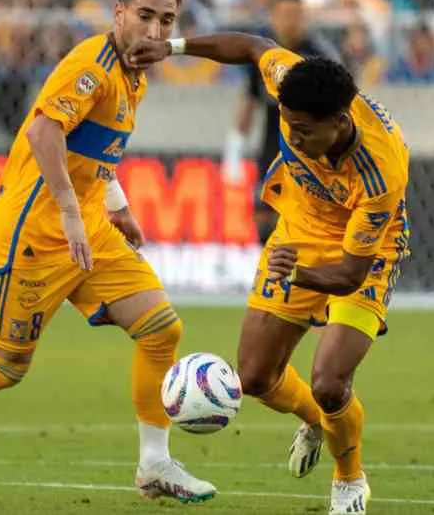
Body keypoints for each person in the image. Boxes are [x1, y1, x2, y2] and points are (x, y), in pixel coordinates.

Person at [0, 0, 216, 505]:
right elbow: (44, 130)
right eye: (146, 17)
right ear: (119, 14)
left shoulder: (136, 76)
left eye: (167, 21)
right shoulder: (91, 66)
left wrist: (119, 206)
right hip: (33, 233)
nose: (155, 31)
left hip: (89, 226)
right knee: (4, 365)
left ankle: (154, 464)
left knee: (161, 330)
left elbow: (94, 151)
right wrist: (66, 210)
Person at [127, 30, 411, 515]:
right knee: (256, 377)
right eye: (288, 123)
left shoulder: (380, 173)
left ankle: (349, 480)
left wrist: (296, 273)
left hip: (365, 253)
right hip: (297, 233)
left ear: (340, 123)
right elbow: (253, 47)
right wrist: (172, 48)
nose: (292, 136)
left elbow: (347, 274)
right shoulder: (289, 83)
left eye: (304, 130)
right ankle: (317, 420)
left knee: (329, 382)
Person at [223, 0, 341, 245]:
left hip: (311, 155)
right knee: (264, 224)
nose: (290, 20)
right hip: (271, 150)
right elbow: (249, 102)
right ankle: (272, 278)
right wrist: (233, 150)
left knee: (306, 228)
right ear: (273, 17)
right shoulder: (264, 56)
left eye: (296, 14)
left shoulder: (319, 56)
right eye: (285, 14)